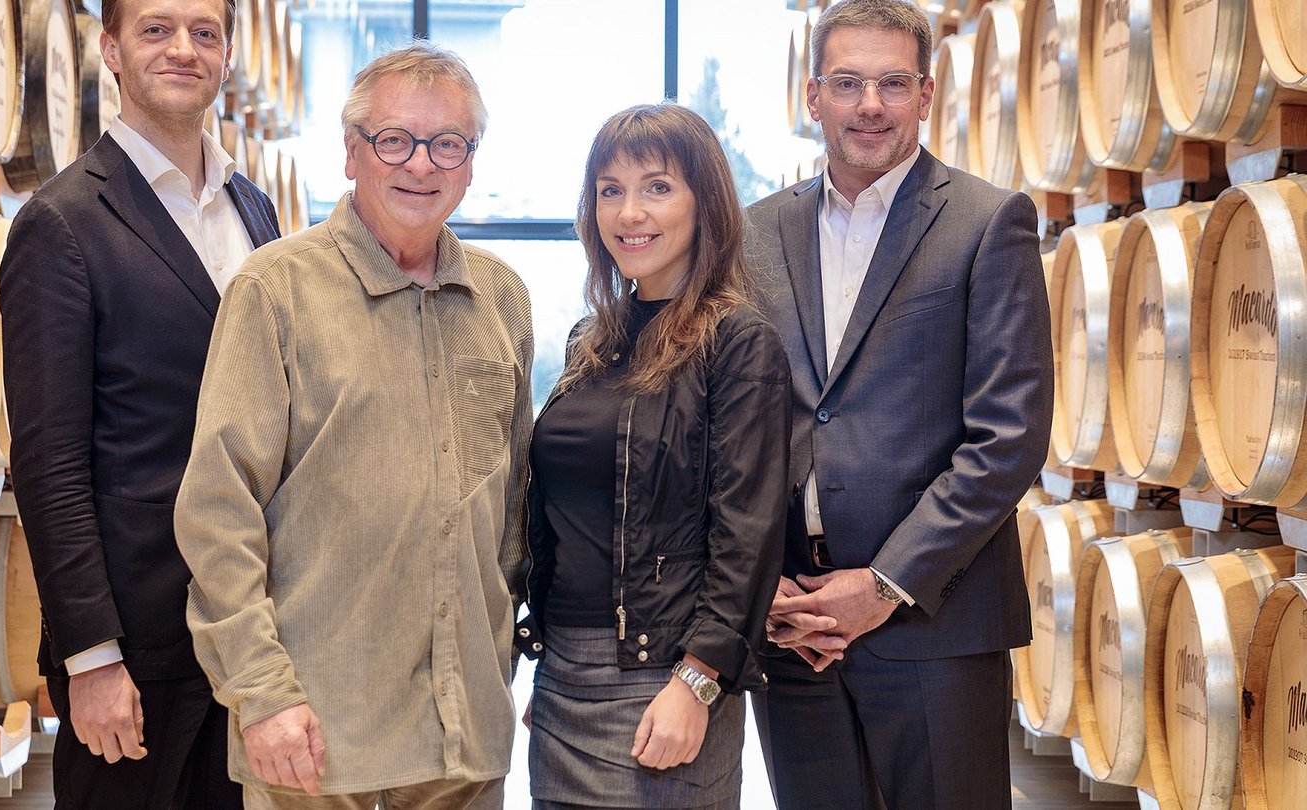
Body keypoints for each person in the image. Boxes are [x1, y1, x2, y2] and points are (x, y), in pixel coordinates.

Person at [173, 42, 533, 809]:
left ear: (471, 163)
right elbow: (217, 513)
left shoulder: (502, 299)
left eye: (448, 144)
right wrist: (262, 695)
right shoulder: (274, 290)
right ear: (351, 153)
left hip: (462, 734)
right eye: (394, 140)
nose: (421, 165)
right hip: (314, 730)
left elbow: (510, 514)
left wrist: (495, 663)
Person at [744, 0, 1052, 807]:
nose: (870, 105)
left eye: (892, 83)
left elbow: (1009, 438)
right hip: (792, 627)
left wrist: (882, 585)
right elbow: (734, 427)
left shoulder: (988, 222)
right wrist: (758, 581)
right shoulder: (756, 232)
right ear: (813, 96)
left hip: (932, 629)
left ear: (926, 93)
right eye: (847, 83)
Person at [0, 0, 280, 807]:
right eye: (156, 29)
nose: (183, 49)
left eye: (205, 32)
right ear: (111, 49)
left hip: (249, 637)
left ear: (227, 54)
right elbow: (49, 465)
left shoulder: (254, 209)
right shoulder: (61, 222)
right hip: (137, 650)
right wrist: (91, 657)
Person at [515, 103, 791, 810]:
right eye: (610, 190)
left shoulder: (737, 342)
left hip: (665, 677)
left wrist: (698, 683)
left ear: (706, 205)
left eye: (657, 187)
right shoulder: (592, 340)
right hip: (562, 680)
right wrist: (552, 663)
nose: (629, 212)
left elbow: (749, 532)